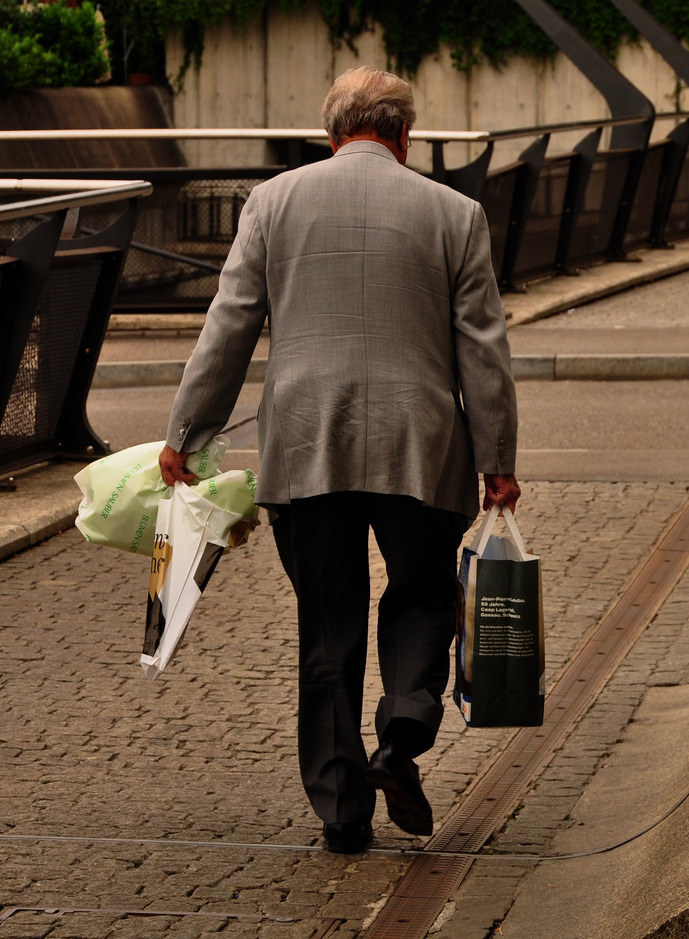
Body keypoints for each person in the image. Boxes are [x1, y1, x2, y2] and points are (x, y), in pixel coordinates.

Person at [159, 67, 520, 854]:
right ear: (403, 134)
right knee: (424, 593)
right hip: (422, 447)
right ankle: (401, 734)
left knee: (328, 628)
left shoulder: (273, 203)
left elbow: (228, 328)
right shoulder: (455, 213)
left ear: (331, 134)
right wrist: (496, 459)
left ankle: (342, 814)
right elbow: (483, 350)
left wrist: (186, 433)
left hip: (307, 444)